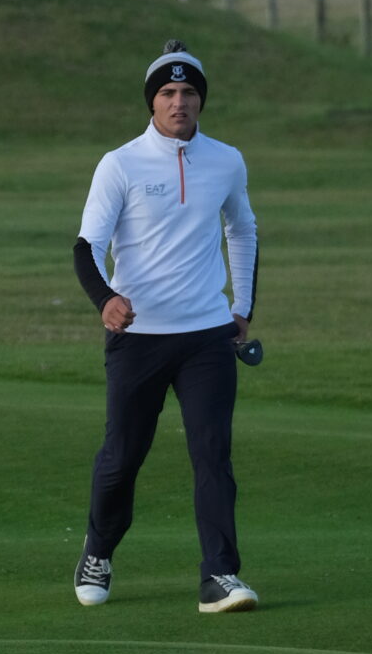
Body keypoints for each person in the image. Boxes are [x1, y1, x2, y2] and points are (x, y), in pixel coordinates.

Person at [71, 42, 259, 614]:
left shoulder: (226, 161)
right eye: (169, 93)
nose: (180, 102)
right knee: (123, 456)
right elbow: (87, 246)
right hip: (139, 338)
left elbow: (242, 230)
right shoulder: (120, 164)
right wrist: (105, 299)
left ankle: (219, 575)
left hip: (207, 336)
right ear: (152, 102)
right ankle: (98, 549)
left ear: (202, 100)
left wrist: (242, 306)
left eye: (189, 92)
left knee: (213, 454)